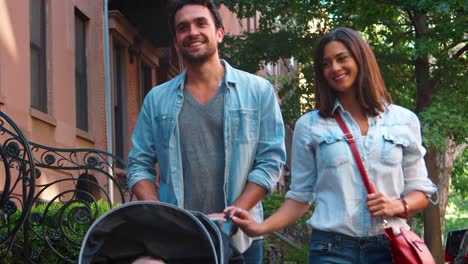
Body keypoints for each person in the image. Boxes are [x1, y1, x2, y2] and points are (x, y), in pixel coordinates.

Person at [225, 27, 438, 263]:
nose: (334, 68)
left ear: (361, 59)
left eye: (341, 58)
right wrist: (261, 227)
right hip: (331, 249)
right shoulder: (310, 125)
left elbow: (421, 191)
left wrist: (397, 205)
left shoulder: (404, 120)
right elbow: (299, 197)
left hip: (390, 247)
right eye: (326, 64)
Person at [126, 0, 286, 263]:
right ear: (176, 42)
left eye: (201, 23)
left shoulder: (258, 91)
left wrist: (232, 214)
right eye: (183, 28)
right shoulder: (157, 100)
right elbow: (138, 165)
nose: (193, 32)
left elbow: (270, 161)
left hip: (240, 239)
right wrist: (161, 216)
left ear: (219, 33)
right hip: (178, 239)